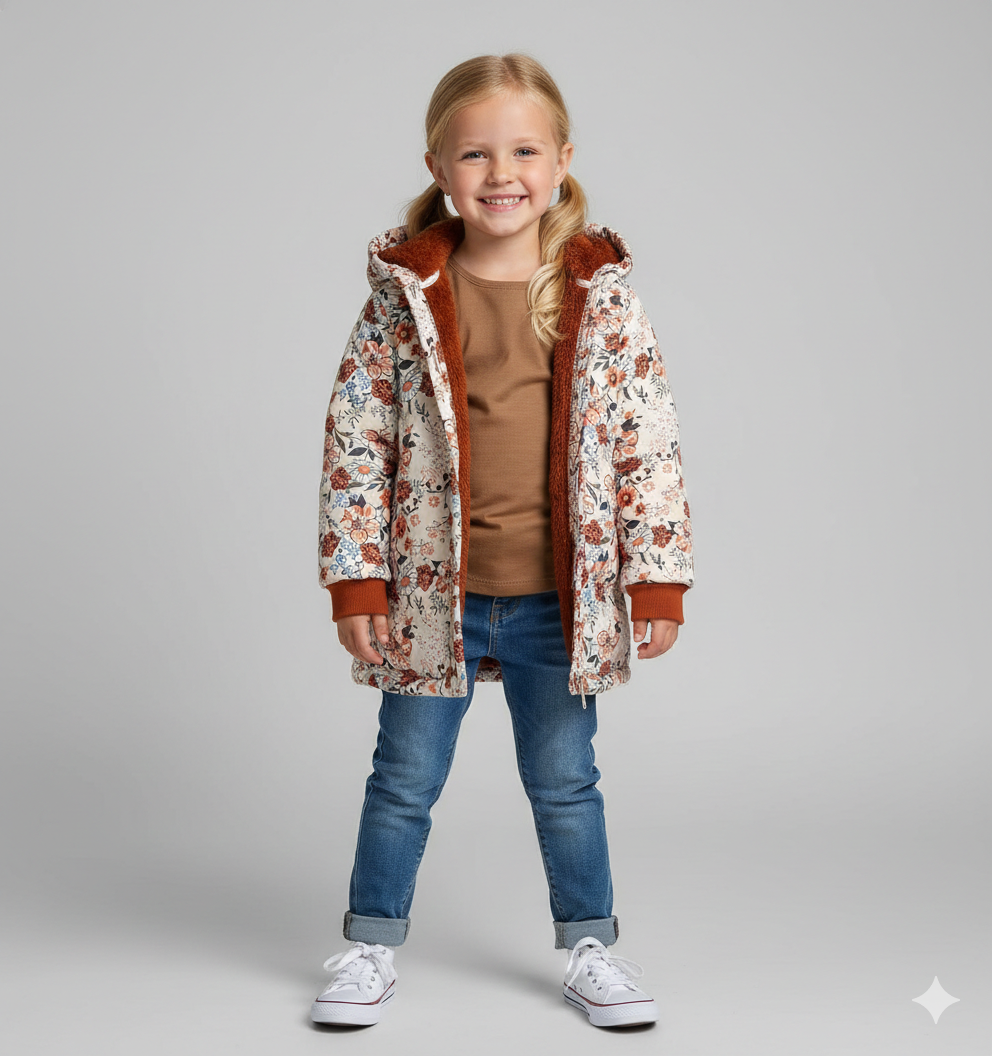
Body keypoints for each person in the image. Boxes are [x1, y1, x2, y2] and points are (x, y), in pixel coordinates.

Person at [312, 52, 694, 1029]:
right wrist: (358, 583)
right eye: (475, 153)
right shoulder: (405, 296)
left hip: (555, 603)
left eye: (523, 151)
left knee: (566, 782)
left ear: (562, 159)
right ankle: (368, 945)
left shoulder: (598, 294)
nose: (501, 173)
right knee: (402, 780)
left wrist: (654, 581)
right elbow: (357, 438)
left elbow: (645, 439)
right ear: (438, 167)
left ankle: (590, 947)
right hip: (430, 596)